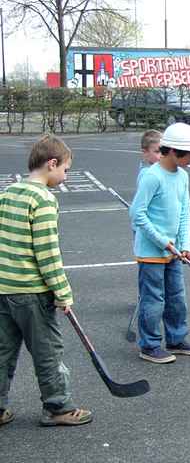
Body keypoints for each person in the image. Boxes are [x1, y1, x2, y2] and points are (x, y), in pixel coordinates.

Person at [0, 135, 92, 427]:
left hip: (3, 289)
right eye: (65, 169)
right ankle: (58, 407)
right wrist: (63, 293)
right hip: (32, 294)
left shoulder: (8, 193)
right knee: (47, 352)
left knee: (3, 351)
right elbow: (47, 253)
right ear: (51, 164)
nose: (65, 177)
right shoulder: (43, 199)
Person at [129, 123, 190, 364]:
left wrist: (185, 244)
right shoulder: (152, 176)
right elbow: (137, 214)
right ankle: (150, 345)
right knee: (154, 300)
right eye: (189, 153)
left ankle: (176, 339)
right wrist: (163, 241)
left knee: (176, 298)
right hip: (151, 252)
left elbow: (184, 213)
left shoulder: (183, 176)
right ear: (173, 151)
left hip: (174, 252)